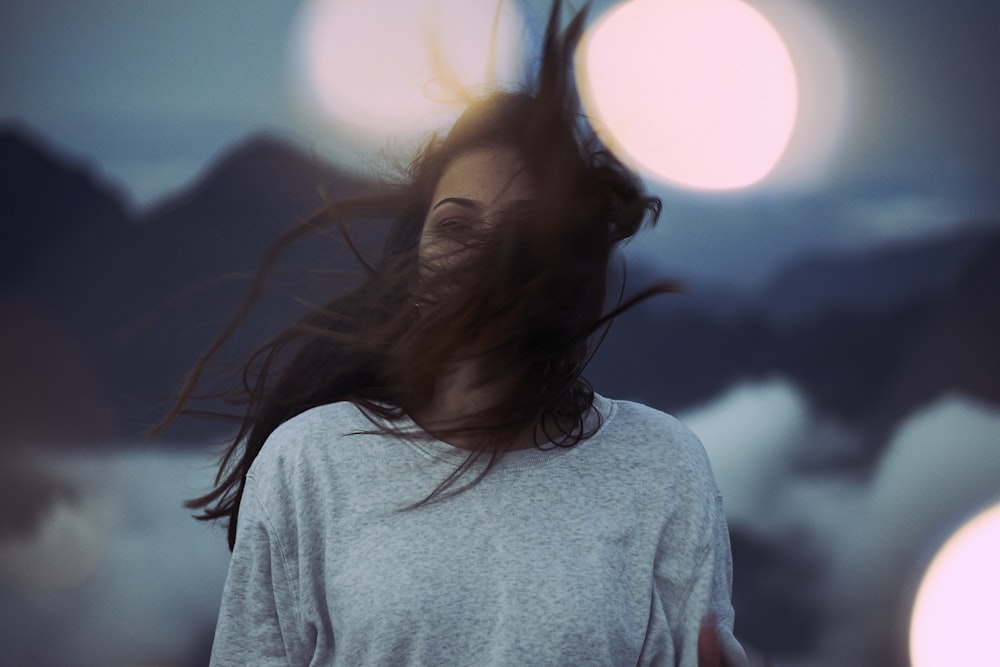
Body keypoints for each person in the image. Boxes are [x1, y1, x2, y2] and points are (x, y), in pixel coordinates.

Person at [161, 3, 750, 665]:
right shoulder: (307, 463)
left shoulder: (661, 466)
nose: (486, 260)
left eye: (524, 237)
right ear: (413, 258)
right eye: (455, 227)